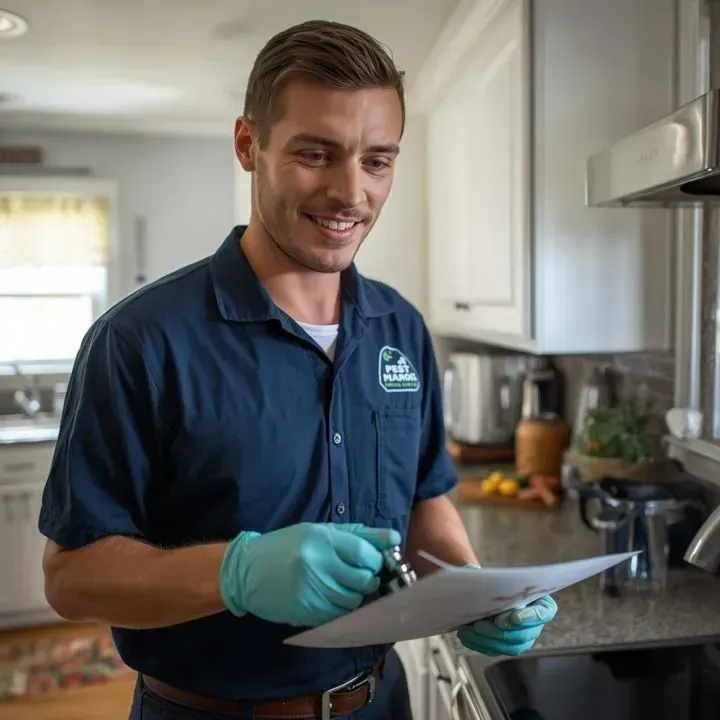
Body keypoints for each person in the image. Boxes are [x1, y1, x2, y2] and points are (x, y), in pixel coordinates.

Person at [38, 19, 558, 720]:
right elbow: (72, 579)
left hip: (379, 702)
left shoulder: (399, 328)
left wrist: (476, 590)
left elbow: (425, 502)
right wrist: (235, 574)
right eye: (318, 154)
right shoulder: (137, 341)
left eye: (378, 160)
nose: (352, 193)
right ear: (248, 145)